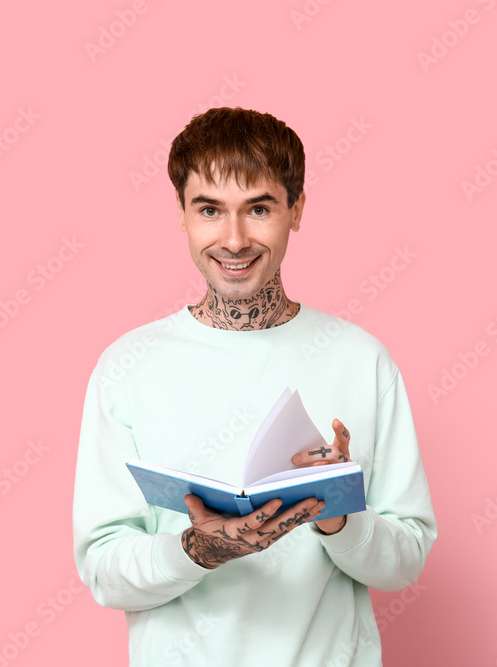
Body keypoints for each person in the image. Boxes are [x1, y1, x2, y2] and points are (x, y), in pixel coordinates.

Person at [73, 107, 437, 666]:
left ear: (296, 210)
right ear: (182, 214)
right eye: (210, 210)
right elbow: (103, 570)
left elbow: (406, 560)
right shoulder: (128, 367)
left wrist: (336, 514)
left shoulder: (362, 360)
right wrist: (197, 551)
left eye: (259, 208)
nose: (235, 239)